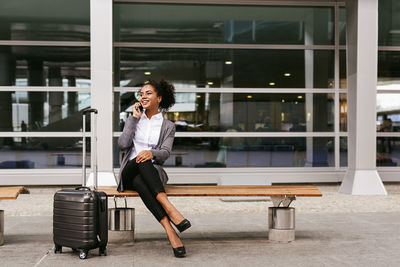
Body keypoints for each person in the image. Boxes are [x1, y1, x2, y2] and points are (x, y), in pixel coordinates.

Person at [117, 79, 190, 258]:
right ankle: (170, 208)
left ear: (159, 98)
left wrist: (151, 153)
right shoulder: (133, 119)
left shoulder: (168, 126)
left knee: (142, 177)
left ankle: (170, 230)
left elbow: (165, 153)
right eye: (141, 94)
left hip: (150, 175)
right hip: (129, 171)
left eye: (148, 93)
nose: (143, 96)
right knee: (141, 159)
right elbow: (122, 144)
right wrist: (134, 119)